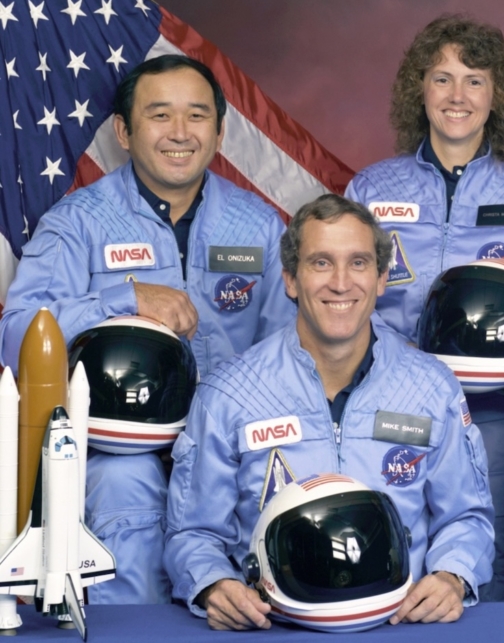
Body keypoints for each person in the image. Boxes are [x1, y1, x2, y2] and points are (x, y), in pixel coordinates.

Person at [0, 55, 293, 603]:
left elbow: (290, 350)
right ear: (124, 131)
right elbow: (19, 335)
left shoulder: (256, 224)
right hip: (119, 449)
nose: (179, 133)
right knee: (124, 491)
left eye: (197, 116)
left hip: (230, 446)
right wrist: (124, 297)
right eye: (160, 115)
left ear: (220, 130)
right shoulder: (78, 222)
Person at [345, 15, 504, 602]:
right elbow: (337, 295)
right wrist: (391, 359)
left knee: (499, 561)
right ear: (419, 90)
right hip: (390, 410)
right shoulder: (370, 190)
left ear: (497, 96)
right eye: (442, 79)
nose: (457, 96)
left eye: (475, 81)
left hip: (498, 418)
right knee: (391, 556)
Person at [164, 194, 494, 630]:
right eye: (321, 263)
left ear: (381, 278)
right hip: (275, 627)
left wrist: (453, 575)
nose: (341, 283)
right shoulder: (229, 393)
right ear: (290, 280)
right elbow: (193, 533)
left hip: (400, 626)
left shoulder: (432, 387)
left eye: (358, 263)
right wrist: (212, 583)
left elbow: (467, 517)